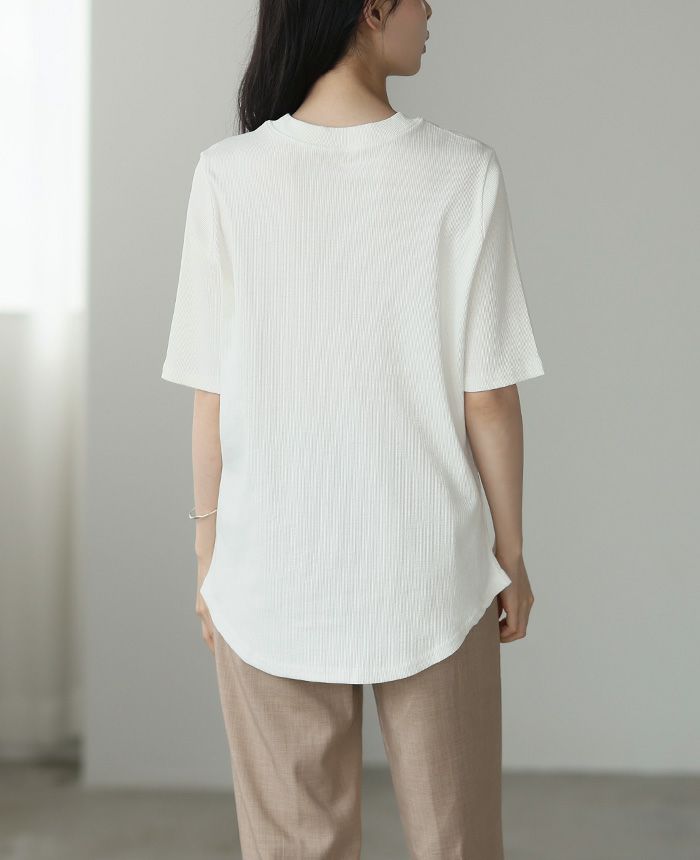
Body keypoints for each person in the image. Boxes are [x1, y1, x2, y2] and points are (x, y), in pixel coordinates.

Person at [161, 0, 545, 856]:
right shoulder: (462, 173)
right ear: (372, 9)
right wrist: (511, 556)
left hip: (269, 574)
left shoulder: (227, 175)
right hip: (433, 571)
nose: (431, 10)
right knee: (458, 842)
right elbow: (488, 396)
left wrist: (208, 558)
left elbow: (211, 394)